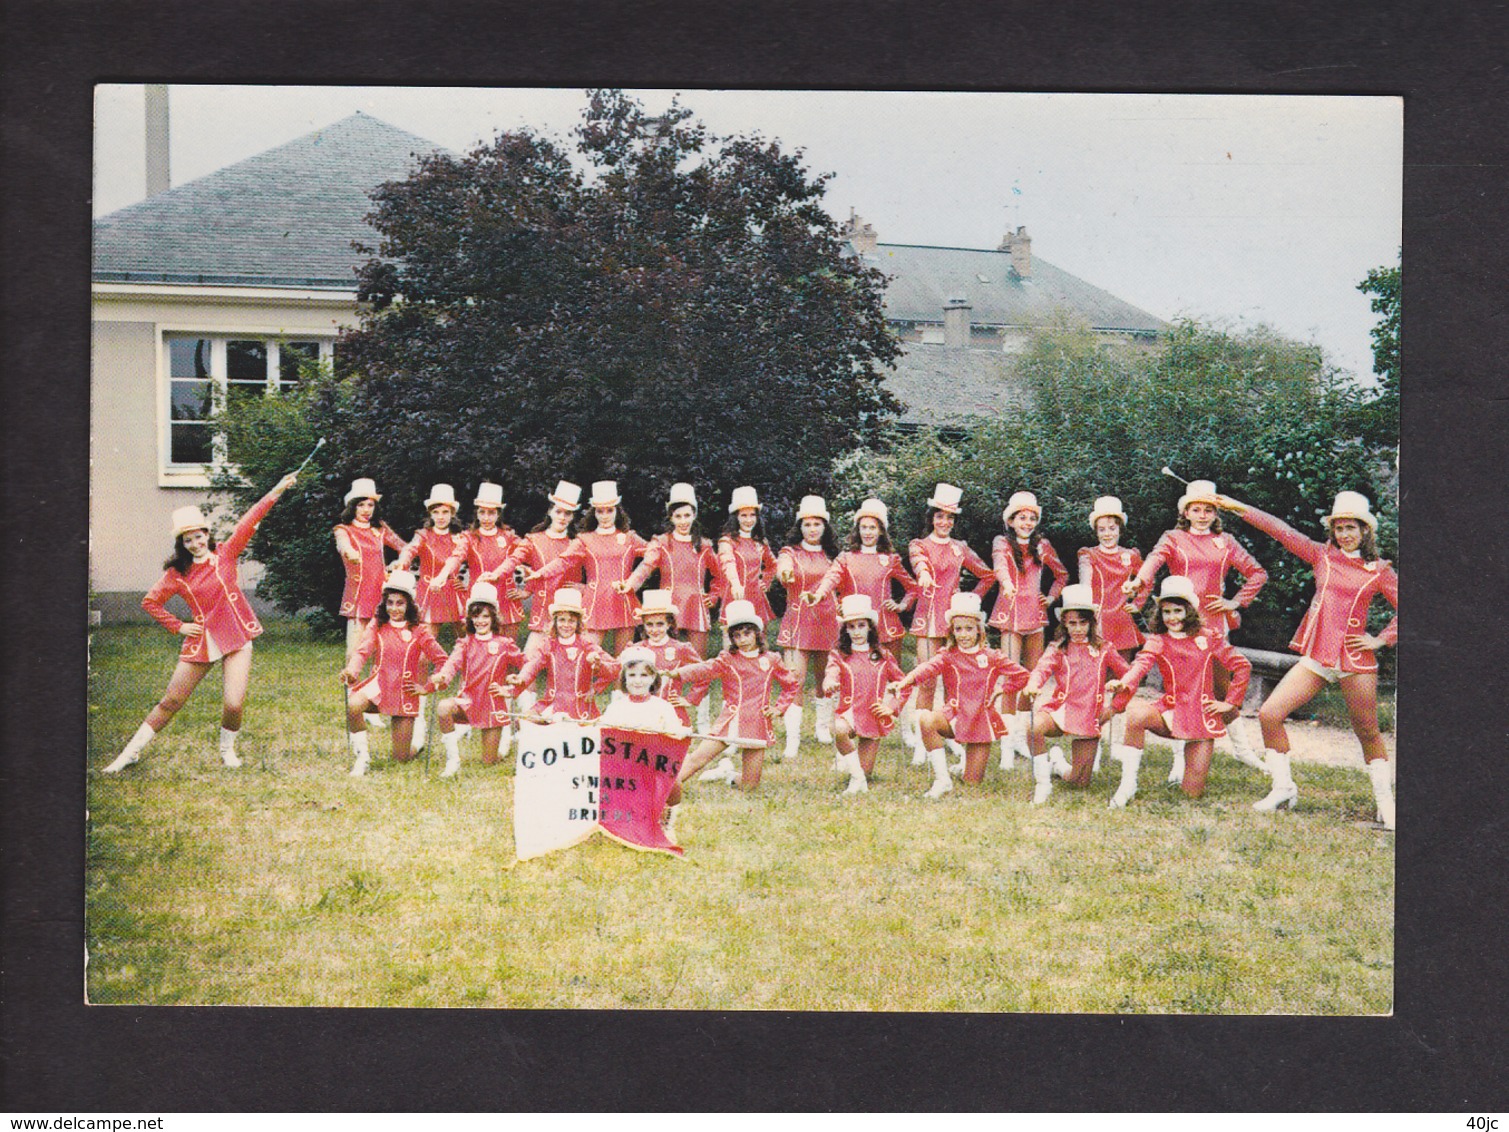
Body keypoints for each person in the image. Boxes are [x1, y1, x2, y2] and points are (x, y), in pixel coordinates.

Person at [1214, 490, 1398, 828]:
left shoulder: (1379, 570)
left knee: (1368, 732)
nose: (1344, 534)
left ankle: (1387, 807)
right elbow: (1280, 530)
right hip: (1318, 655)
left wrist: (1380, 639)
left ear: (1365, 531)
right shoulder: (1321, 555)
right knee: (1270, 713)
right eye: (1339, 528)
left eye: (1351, 528)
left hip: (1355, 661)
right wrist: (1238, 507)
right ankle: (1283, 788)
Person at [104, 472, 300, 773]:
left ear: (207, 534)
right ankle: (129, 754)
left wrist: (276, 489)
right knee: (171, 701)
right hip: (203, 639)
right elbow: (150, 602)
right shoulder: (178, 573)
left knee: (234, 704)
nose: (195, 543)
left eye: (199, 536)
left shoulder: (226, 554)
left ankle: (227, 751)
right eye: (188, 539)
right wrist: (178, 626)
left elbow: (249, 520)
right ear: (181, 543)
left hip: (236, 636)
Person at [1123, 478, 1268, 783]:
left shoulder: (1226, 541)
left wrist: (1234, 602)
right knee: (1179, 689)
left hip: (1212, 625)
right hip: (1176, 623)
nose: (1202, 515)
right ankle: (1180, 760)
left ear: (1216, 513)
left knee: (1220, 687)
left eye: (1209, 510)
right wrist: (1139, 581)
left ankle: (1242, 750)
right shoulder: (1173, 537)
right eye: (1196, 509)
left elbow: (1257, 572)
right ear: (1185, 512)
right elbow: (1154, 560)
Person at [1104, 576, 1253, 808]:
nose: (1172, 617)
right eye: (1166, 612)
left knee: (1190, 795)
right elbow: (1141, 663)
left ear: (1189, 611)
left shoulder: (1209, 636)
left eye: (1177, 611)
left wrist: (1231, 703)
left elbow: (1242, 666)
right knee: (1136, 715)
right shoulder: (1158, 639)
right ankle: (1128, 785)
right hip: (1171, 711)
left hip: (1201, 716)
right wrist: (1124, 682)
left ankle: (1184, 772)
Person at [889, 592, 1030, 799]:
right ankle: (942, 780)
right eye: (958, 629)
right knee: (926, 719)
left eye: (969, 629)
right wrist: (904, 681)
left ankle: (962, 767)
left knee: (972, 783)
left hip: (980, 719)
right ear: (952, 632)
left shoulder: (992, 657)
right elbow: (927, 668)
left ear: (979, 629)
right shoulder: (948, 655)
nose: (963, 634)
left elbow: (1023, 676)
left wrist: (1002, 690)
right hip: (954, 715)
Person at [666, 600, 801, 793]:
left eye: (747, 633)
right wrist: (679, 673)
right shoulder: (728, 659)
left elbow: (791, 684)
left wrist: (779, 708)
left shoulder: (772, 659)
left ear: (757, 633)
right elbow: (706, 668)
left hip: (756, 723)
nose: (743, 639)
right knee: (698, 758)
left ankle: (726, 774)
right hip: (731, 719)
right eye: (737, 636)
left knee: (749, 786)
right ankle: (665, 787)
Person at [908, 482, 995, 769]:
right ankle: (923, 742)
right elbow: (918, 562)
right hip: (927, 620)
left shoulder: (960, 549)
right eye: (939, 516)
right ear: (931, 518)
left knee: (955, 683)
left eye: (949, 518)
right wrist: (922, 575)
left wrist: (969, 603)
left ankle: (954, 736)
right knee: (926, 680)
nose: (944, 522)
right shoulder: (919, 545)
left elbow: (988, 575)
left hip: (956, 625)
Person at [1021, 584, 1129, 805]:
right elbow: (1041, 669)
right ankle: (1043, 784)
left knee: (1079, 782)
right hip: (1061, 711)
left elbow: (1130, 678)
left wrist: (1115, 707)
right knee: (1033, 728)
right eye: (1072, 623)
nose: (1078, 628)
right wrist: (1033, 683)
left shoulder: (1105, 648)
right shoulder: (1057, 648)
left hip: (1090, 715)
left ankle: (1058, 765)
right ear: (1064, 624)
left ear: (1091, 622)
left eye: (1083, 622)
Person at [339, 571, 451, 777]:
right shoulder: (378, 624)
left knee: (401, 759)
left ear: (409, 604)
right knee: (353, 705)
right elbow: (363, 651)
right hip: (378, 686)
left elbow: (443, 661)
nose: (394, 608)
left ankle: (417, 743)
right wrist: (352, 670)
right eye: (390, 602)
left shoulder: (419, 630)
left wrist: (427, 686)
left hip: (404, 692)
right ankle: (362, 757)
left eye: (400, 603)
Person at [989, 491, 1069, 769]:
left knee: (1032, 680)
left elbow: (1062, 574)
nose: (1027, 522)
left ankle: (1022, 737)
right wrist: (1007, 584)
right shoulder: (1002, 542)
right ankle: (1006, 747)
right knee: (1011, 679)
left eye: (1032, 518)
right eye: (1022, 517)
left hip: (1035, 616)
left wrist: (1052, 596)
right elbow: (999, 565)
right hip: (1010, 614)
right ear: (1011, 521)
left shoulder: (1043, 545)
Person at [525, 480, 646, 656]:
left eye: (609, 510)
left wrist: (634, 580)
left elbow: (655, 554)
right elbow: (563, 561)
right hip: (595, 602)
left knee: (624, 659)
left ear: (617, 511)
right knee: (587, 656)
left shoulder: (629, 538)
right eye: (600, 511)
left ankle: (620, 684)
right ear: (594, 512)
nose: (605, 515)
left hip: (624, 600)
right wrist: (540, 574)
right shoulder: (584, 539)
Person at [424, 581, 527, 777]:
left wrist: (513, 688)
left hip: (492, 705)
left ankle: (505, 740)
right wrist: (442, 676)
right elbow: (452, 664)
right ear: (470, 618)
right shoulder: (465, 643)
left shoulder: (505, 644)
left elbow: (528, 666)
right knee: (444, 707)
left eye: (485, 616)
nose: (480, 621)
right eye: (476, 616)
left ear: (493, 618)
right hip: (468, 701)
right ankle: (452, 761)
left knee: (489, 762)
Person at [394, 483, 469, 750]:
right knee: (424, 654)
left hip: (452, 594)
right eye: (436, 511)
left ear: (452, 513)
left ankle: (468, 703)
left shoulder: (460, 537)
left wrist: (451, 579)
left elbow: (461, 559)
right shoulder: (423, 534)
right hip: (428, 594)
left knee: (470, 647)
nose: (441, 516)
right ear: (431, 513)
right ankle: (420, 715)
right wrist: (401, 564)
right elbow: (410, 550)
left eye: (445, 511)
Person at [618, 481, 721, 675]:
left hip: (695, 604)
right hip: (668, 603)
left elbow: (719, 576)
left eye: (687, 515)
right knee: (662, 653)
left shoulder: (704, 545)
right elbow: (647, 564)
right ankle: (659, 692)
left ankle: (697, 701)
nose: (683, 521)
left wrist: (714, 595)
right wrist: (631, 584)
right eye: (678, 516)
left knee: (697, 660)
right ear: (671, 517)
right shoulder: (662, 541)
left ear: (695, 515)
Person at [1076, 495, 1148, 767]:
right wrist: (1086, 613)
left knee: (1123, 684)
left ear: (1120, 528)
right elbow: (1085, 585)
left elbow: (1146, 583)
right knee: (1094, 685)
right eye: (1102, 529)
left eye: (1112, 528)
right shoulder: (1088, 554)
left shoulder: (1131, 555)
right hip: (1098, 624)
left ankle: (1116, 741)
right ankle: (1091, 741)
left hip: (1123, 626)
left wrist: (1137, 604)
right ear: (1096, 531)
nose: (1108, 534)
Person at [805, 498, 918, 664]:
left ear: (881, 531)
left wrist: (901, 605)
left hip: (886, 628)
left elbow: (913, 588)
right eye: (863, 527)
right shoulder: (846, 558)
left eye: (872, 528)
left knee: (891, 678)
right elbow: (831, 578)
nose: (867, 532)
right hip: (855, 627)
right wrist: (818, 594)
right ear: (857, 530)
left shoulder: (890, 559)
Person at [773, 494, 841, 761]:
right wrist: (785, 574)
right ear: (799, 527)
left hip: (828, 620)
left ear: (825, 527)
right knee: (794, 681)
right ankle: (793, 739)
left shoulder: (833, 554)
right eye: (807, 524)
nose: (812, 529)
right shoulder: (790, 552)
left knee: (827, 679)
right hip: (798, 620)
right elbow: (783, 568)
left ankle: (823, 727)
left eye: (817, 524)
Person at [821, 595, 904, 795]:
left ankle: (857, 772)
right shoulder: (839, 654)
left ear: (870, 627)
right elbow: (829, 674)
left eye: (861, 626)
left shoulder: (883, 655)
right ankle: (857, 779)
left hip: (872, 714)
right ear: (845, 629)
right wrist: (829, 683)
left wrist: (890, 707)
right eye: (851, 627)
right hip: (849, 711)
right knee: (839, 729)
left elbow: (904, 685)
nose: (856, 631)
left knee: (866, 770)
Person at [504, 588, 620, 722]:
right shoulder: (549, 645)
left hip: (580, 706)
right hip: (553, 703)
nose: (566, 625)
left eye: (571, 621)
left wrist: (597, 681)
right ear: (554, 621)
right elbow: (532, 665)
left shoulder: (586, 645)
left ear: (578, 623)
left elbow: (615, 667)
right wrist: (521, 678)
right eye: (562, 620)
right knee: (526, 720)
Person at [442, 482, 527, 643]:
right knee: (476, 648)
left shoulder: (509, 536)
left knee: (506, 651)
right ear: (477, 513)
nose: (486, 518)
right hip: (478, 596)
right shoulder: (469, 537)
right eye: (482, 512)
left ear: (498, 514)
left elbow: (531, 556)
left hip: (506, 599)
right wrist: (449, 577)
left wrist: (527, 591)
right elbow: (456, 557)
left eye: (491, 513)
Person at [629, 589, 705, 731]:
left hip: (671, 711)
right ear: (643, 625)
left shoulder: (681, 648)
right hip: (641, 711)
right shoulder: (636, 648)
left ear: (669, 624)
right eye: (649, 625)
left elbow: (704, 672)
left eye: (660, 624)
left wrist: (690, 698)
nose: (654, 629)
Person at [717, 486, 779, 630]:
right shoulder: (727, 541)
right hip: (736, 595)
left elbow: (773, 565)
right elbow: (728, 562)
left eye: (752, 515)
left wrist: (766, 581)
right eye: (743, 515)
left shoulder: (760, 542)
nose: (748, 520)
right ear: (736, 517)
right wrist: (735, 583)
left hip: (756, 597)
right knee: (733, 639)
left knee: (759, 639)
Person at [598, 645, 691, 736]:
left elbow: (675, 738)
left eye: (644, 675)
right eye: (632, 675)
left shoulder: (663, 708)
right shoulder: (616, 708)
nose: (637, 681)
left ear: (653, 677)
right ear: (624, 678)